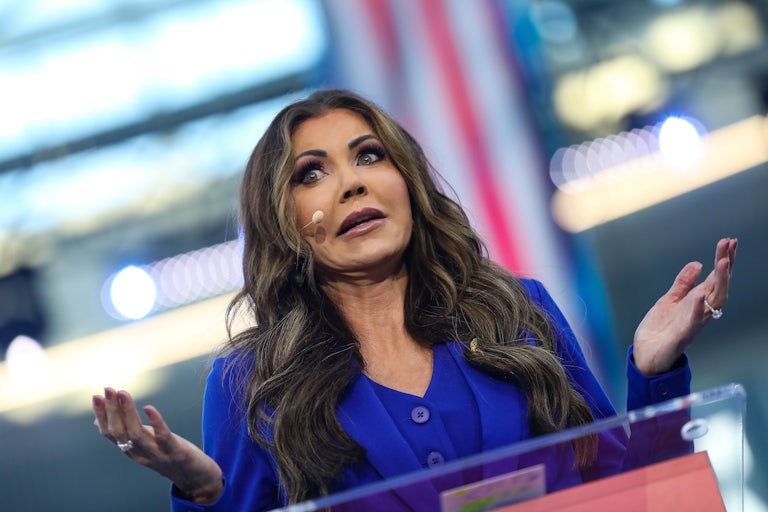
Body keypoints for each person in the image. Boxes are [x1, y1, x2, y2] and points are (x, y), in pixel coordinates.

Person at [92, 89, 737, 511]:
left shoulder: (518, 311)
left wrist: (652, 376)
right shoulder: (251, 383)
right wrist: (204, 491)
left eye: (368, 156)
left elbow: (632, 495)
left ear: (405, 182)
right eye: (311, 173)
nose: (351, 184)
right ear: (281, 222)